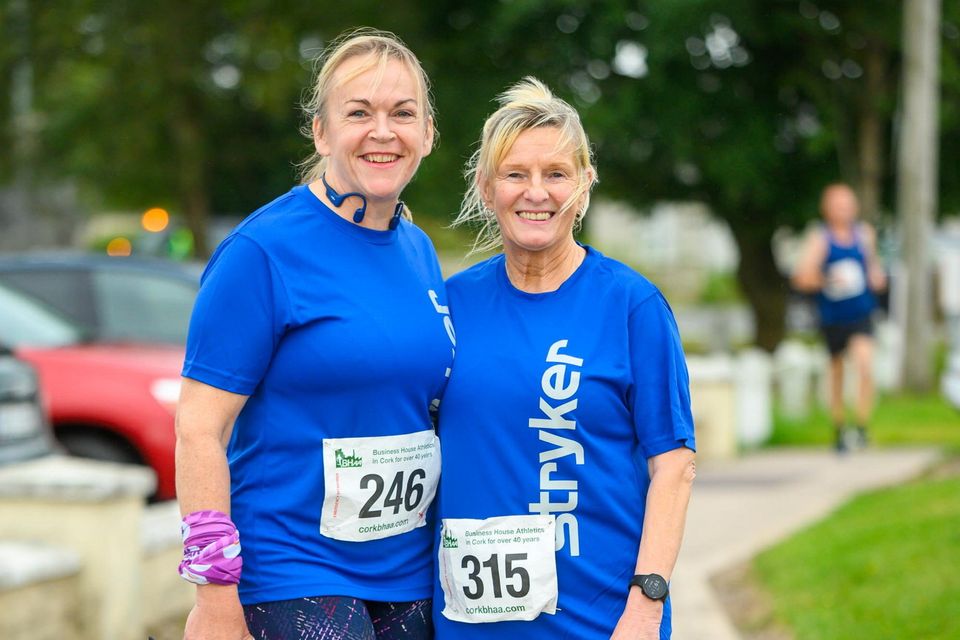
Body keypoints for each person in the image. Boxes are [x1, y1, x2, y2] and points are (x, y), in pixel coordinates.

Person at [175, 29, 454, 640]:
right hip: (294, 569)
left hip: (408, 573)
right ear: (322, 133)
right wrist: (215, 594)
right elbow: (200, 427)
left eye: (402, 113)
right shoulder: (262, 251)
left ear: (428, 134)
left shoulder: (420, 249)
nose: (383, 131)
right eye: (359, 113)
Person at [433, 78, 696, 640]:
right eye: (515, 174)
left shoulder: (632, 306)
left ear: (584, 184)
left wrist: (647, 603)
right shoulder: (449, 307)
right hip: (470, 625)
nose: (537, 193)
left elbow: (673, 465)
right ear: (486, 187)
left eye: (556, 174)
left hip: (602, 621)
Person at [792, 183, 887, 452]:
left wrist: (875, 278)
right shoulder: (820, 239)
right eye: (838, 205)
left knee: (865, 365)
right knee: (837, 372)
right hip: (833, 316)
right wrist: (827, 280)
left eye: (847, 205)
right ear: (827, 209)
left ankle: (862, 426)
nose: (843, 211)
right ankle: (840, 427)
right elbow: (802, 278)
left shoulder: (864, 235)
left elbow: (874, 271)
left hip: (861, 313)